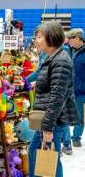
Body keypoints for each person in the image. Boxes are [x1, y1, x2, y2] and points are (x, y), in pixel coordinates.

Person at [28, 21, 79, 177]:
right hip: (47, 119)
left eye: (40, 37)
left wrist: (48, 128)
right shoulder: (52, 57)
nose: (37, 40)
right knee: (43, 155)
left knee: (48, 157)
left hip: (52, 121)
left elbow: (57, 97)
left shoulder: (61, 61)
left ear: (50, 38)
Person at [62, 28, 85, 148]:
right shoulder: (71, 50)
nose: (68, 41)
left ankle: (76, 137)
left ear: (78, 38)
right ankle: (66, 138)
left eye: (70, 38)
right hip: (71, 88)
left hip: (81, 91)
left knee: (80, 116)